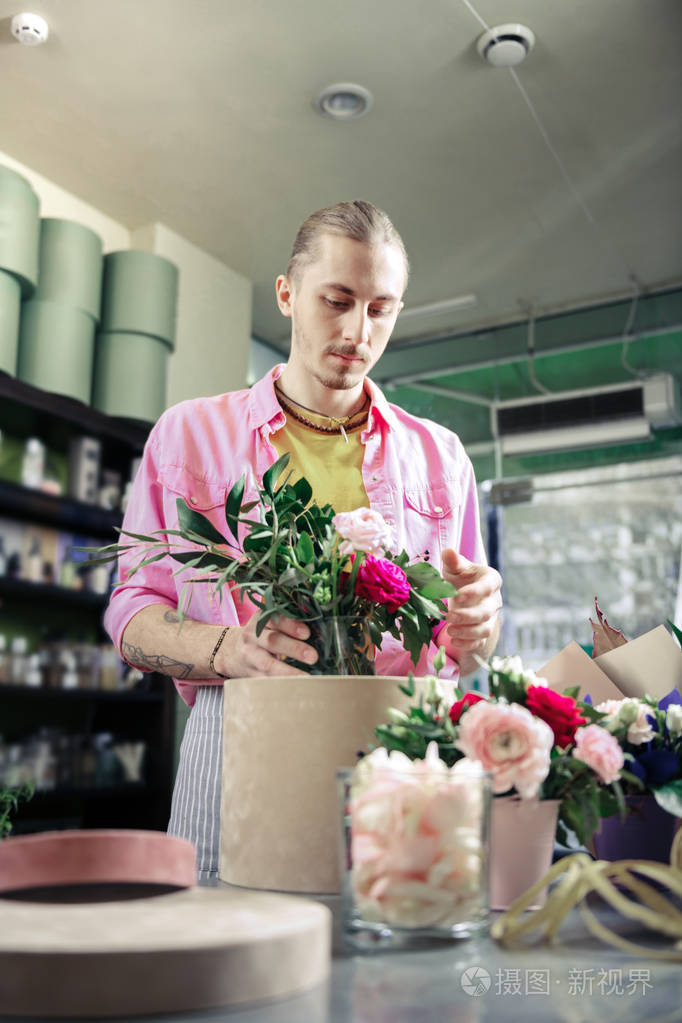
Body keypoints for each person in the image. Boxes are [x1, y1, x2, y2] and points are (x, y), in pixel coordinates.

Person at [104, 200, 502, 878]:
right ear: (287, 294)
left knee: (395, 963)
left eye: (381, 309)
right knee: (232, 964)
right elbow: (131, 612)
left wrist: (479, 626)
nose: (357, 331)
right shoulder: (190, 434)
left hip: (400, 750)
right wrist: (232, 647)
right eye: (338, 300)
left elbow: (463, 646)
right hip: (236, 737)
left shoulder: (443, 456)